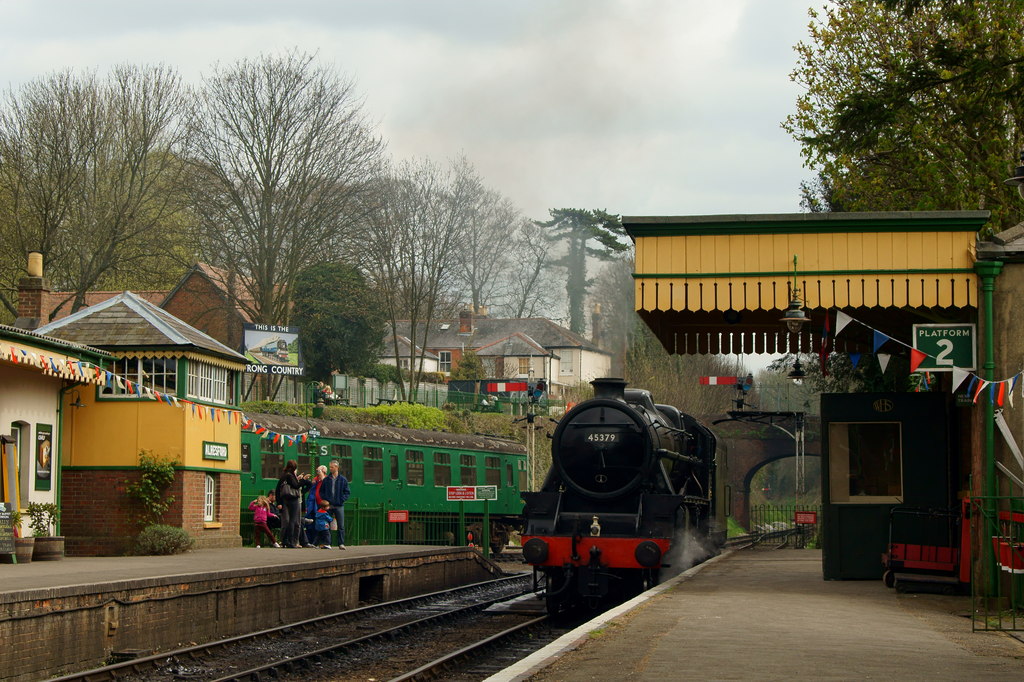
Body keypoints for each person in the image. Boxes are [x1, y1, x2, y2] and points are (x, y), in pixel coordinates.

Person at [318, 459, 351, 549]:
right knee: (326, 524)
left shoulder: (343, 479)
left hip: (339, 505)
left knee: (341, 525)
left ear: (337, 467)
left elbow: (347, 492)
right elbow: (321, 491)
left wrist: (341, 500)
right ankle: (328, 543)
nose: (330, 469)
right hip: (328, 505)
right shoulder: (327, 479)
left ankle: (341, 543)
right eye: (330, 467)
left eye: (332, 467)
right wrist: (325, 500)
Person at [275, 460, 303, 548]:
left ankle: (284, 541)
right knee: (292, 521)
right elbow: (296, 485)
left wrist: (279, 502)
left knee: (286, 521)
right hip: (293, 500)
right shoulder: (290, 475)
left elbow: (277, 489)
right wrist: (303, 480)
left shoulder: (283, 475)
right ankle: (291, 542)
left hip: (284, 500)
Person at [300, 466, 328, 547]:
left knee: (320, 524)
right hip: (312, 505)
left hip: (321, 505)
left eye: (319, 470)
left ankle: (321, 542)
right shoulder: (315, 480)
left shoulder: (326, 480)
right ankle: (310, 541)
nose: (317, 472)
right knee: (310, 523)